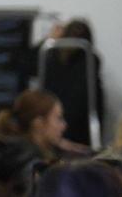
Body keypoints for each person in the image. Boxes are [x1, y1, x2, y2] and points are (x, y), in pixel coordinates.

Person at [39, 18, 106, 150]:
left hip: (54, 120)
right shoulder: (90, 59)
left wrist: (48, 38)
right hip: (82, 126)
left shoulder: (51, 55)